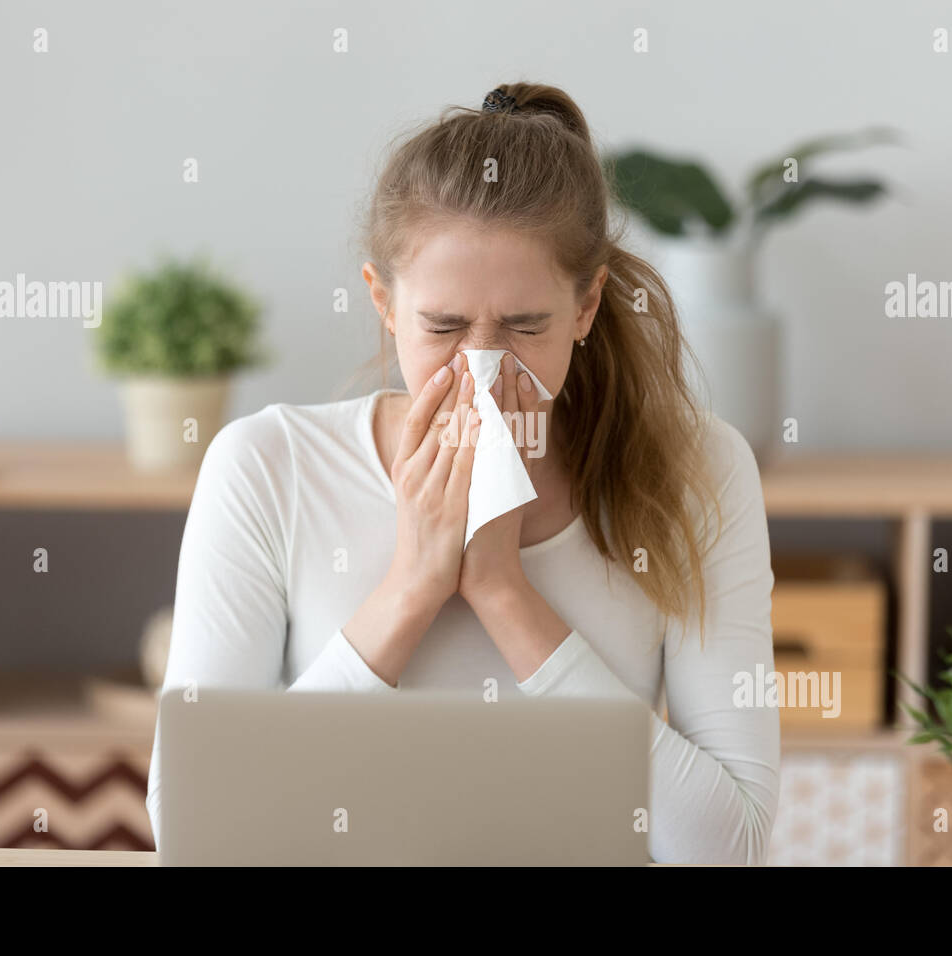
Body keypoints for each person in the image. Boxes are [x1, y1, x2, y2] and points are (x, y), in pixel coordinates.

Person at [146, 83, 779, 864]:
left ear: (586, 307)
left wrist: (505, 593)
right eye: (443, 326)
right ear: (384, 300)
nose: (482, 364)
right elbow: (196, 829)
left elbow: (732, 846)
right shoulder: (268, 469)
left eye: (525, 326)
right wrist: (413, 584)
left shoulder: (698, 470)